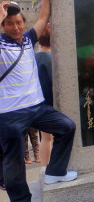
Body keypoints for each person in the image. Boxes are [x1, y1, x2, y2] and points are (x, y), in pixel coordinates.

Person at [0, 0, 77, 202]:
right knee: (14, 161)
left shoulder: (27, 41)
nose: (15, 27)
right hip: (10, 114)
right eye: (9, 23)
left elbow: (43, 18)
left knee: (67, 127)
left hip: (37, 107)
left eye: (19, 22)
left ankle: (54, 171)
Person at [35, 24, 53, 166]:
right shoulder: (53, 58)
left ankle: (45, 167)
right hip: (53, 102)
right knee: (55, 138)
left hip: (39, 103)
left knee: (45, 138)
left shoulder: (34, 57)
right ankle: (53, 167)